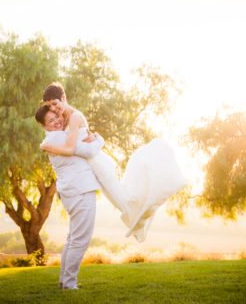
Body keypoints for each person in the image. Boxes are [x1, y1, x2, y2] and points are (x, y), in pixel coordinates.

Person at [40, 82, 187, 242]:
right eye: (49, 106)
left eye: (55, 104)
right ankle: (139, 224)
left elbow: (72, 148)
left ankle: (147, 209)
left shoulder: (74, 116)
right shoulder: (63, 118)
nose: (53, 109)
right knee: (120, 202)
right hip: (92, 168)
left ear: (63, 97)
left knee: (122, 200)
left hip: (98, 163)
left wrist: (49, 146)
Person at [35, 105, 105, 290]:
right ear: (44, 126)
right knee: (80, 240)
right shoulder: (59, 137)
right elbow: (90, 150)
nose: (57, 120)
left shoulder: (53, 138)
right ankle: (69, 284)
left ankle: (64, 281)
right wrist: (100, 139)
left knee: (73, 238)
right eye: (51, 121)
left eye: (57, 116)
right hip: (80, 190)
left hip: (72, 191)